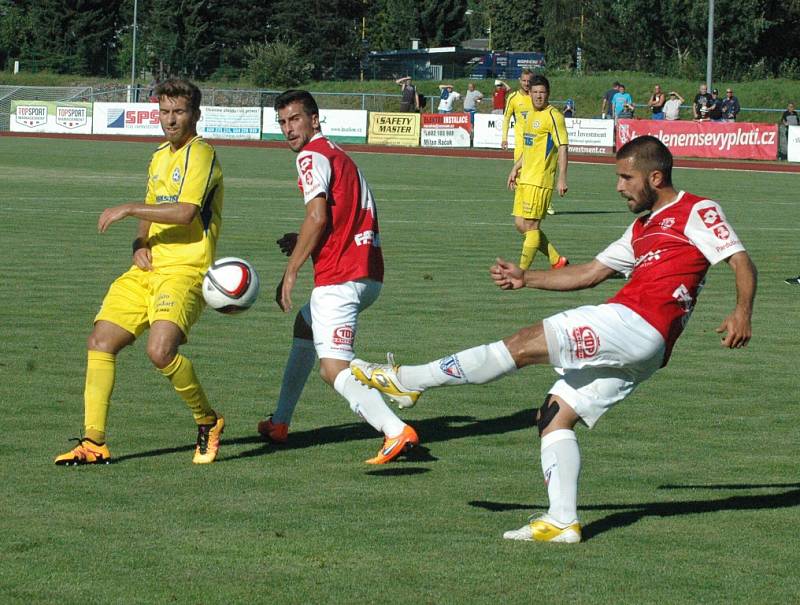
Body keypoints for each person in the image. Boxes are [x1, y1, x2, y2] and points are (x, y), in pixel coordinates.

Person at [351, 136, 757, 543]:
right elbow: (589, 272)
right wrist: (526, 278)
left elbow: (739, 258)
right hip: (646, 348)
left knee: (525, 343)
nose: (619, 186)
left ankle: (409, 380)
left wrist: (742, 310)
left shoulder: (696, 209)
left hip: (636, 321)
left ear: (655, 176)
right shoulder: (640, 228)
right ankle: (563, 521)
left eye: (625, 177)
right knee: (555, 414)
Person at [55, 79, 226, 466]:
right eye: (164, 111)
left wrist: (129, 209)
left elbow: (184, 212)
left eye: (179, 112)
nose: (170, 119)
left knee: (160, 351)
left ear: (195, 115)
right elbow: (153, 207)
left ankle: (208, 420)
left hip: (184, 271)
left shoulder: (201, 155)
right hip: (148, 270)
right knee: (100, 341)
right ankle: (93, 442)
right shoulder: (159, 156)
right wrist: (139, 244)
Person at [258, 89, 417, 464]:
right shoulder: (338, 154)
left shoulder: (312, 156)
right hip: (366, 273)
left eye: (295, 119)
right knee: (304, 327)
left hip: (340, 279)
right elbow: (339, 217)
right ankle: (280, 422)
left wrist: (292, 270)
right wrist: (303, 243)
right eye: (282, 122)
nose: (288, 129)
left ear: (314, 119)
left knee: (333, 370)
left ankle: (395, 429)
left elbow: (318, 216)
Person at [506, 74, 569, 271]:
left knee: (531, 227)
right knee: (520, 224)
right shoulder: (530, 114)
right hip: (525, 178)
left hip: (540, 180)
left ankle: (521, 271)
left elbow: (563, 148)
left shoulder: (554, 116)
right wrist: (516, 167)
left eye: (542, 92)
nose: (538, 96)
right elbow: (529, 147)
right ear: (529, 94)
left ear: (548, 94)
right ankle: (556, 260)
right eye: (535, 92)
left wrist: (562, 178)